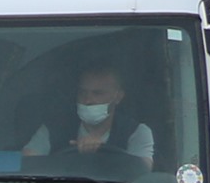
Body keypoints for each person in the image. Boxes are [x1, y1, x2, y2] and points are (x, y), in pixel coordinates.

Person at [22, 63, 154, 170]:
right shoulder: (53, 128)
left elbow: (142, 170)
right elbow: (27, 163)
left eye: (97, 93)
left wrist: (102, 154)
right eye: (83, 92)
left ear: (118, 97)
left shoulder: (137, 132)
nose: (88, 100)